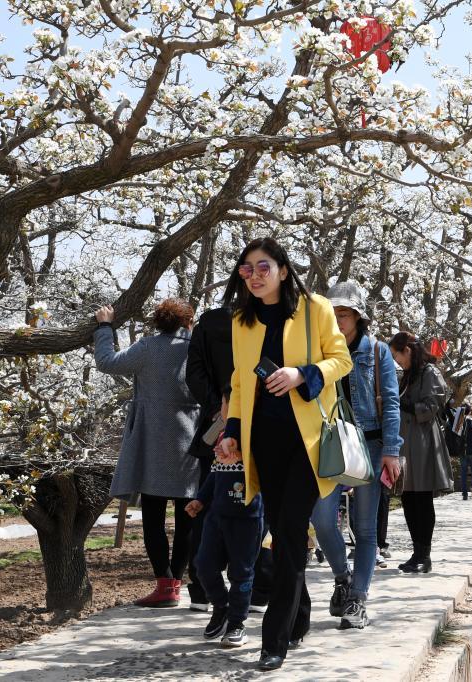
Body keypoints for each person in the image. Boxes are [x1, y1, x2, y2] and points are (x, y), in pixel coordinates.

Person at [215, 237, 352, 672]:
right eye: (247, 269)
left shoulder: (316, 308)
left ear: (283, 270)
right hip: (265, 445)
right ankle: (301, 614)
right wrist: (232, 431)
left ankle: (273, 640)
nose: (254, 276)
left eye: (263, 267)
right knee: (283, 530)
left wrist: (302, 374)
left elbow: (341, 359)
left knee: (290, 529)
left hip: (308, 444)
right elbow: (239, 382)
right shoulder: (241, 320)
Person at [94, 299, 200, 608]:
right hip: (190, 443)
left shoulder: (148, 348)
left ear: (158, 323)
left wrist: (104, 327)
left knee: (153, 516)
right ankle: (177, 583)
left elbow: (107, 362)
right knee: (187, 516)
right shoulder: (198, 347)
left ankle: (165, 586)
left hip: (151, 442)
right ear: (188, 323)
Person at [310, 280, 402, 630]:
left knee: (365, 530)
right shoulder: (317, 351)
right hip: (329, 443)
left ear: (359, 317)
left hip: (371, 445)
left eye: (345, 314)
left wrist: (392, 452)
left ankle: (357, 600)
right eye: (332, 314)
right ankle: (342, 579)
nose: (338, 320)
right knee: (321, 519)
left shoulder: (377, 353)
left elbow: (391, 403)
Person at [185, 281, 273, 614]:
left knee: (208, 503)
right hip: (261, 424)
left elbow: (192, 373)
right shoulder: (269, 324)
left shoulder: (207, 322)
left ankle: (203, 587)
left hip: (217, 425)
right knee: (259, 506)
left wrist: (216, 407)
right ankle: (258, 587)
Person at [185, 392, 261, 648]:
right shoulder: (221, 437)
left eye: (227, 403)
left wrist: (246, 457)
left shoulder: (255, 434)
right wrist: (200, 499)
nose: (223, 408)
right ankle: (222, 606)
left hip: (246, 518)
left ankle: (237, 623)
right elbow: (215, 474)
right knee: (203, 564)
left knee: (241, 572)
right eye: (223, 403)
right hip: (216, 515)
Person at [389, 332, 453, 573]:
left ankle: (424, 556)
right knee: (407, 498)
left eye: (398, 356)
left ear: (408, 350)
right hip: (406, 442)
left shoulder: (429, 373)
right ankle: (416, 552)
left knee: (422, 500)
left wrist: (401, 403)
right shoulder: (406, 376)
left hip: (424, 442)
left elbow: (430, 407)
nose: (397, 361)